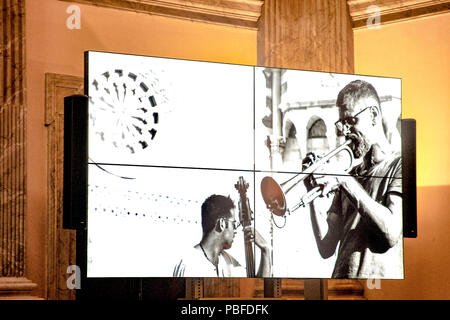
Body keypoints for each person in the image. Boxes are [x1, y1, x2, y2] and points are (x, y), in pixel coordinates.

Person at [306, 80, 403, 279]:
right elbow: (326, 247)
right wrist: (312, 196)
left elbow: (391, 232)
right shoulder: (350, 174)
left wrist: (344, 180)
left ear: (374, 115)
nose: (344, 130)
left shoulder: (400, 164)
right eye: (342, 123)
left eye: (350, 121)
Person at [173, 194, 271, 277]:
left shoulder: (229, 263)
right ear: (222, 224)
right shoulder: (188, 264)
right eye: (233, 224)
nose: (235, 230)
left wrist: (265, 250)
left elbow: (257, 291)